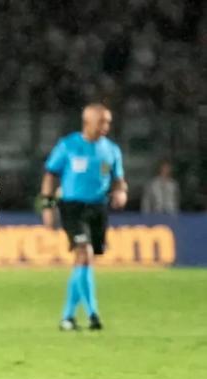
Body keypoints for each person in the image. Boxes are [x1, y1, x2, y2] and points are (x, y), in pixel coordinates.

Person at [40, 103, 128, 331]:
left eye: (108, 122)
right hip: (72, 207)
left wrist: (120, 191)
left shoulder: (111, 150)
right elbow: (50, 175)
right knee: (84, 252)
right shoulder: (68, 145)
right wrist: (48, 206)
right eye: (102, 122)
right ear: (88, 122)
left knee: (84, 260)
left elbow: (118, 179)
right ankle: (93, 314)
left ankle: (67, 317)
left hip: (98, 208)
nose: (106, 126)